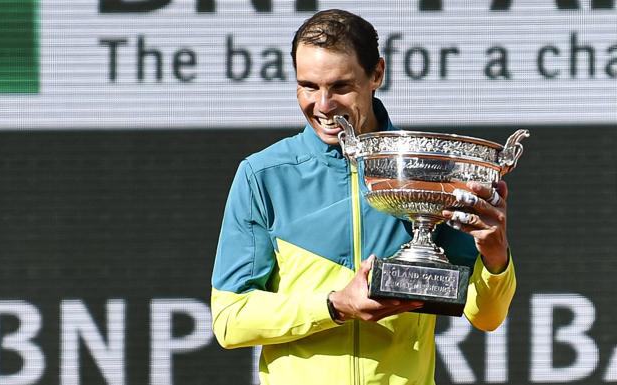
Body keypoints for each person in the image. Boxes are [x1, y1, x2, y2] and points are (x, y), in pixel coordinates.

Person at [211, 9, 516, 385]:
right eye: (308, 86)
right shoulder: (263, 175)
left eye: (340, 87)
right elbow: (230, 319)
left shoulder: (426, 171)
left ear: (377, 75)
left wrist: (496, 256)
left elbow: (486, 316)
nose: (323, 105)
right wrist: (335, 305)